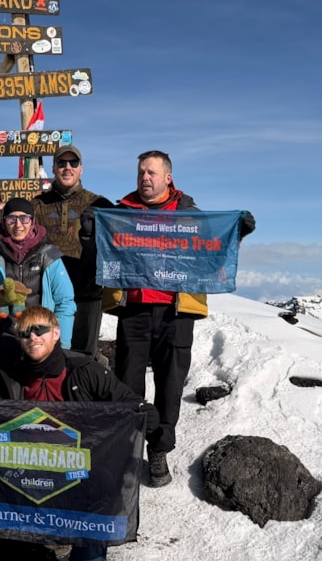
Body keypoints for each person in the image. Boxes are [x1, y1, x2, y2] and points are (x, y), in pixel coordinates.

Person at [0, 307, 159, 561]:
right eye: (25, 332)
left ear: (56, 333)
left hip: (84, 462)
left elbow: (131, 402)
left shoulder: (84, 370)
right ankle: (58, 531)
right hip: (36, 460)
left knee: (100, 486)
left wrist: (143, 416)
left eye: (40, 330)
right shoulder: (10, 373)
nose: (33, 337)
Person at [108, 150, 255, 488]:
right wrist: (92, 227)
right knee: (127, 383)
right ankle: (128, 448)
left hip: (176, 312)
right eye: (141, 172)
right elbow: (102, 245)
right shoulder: (122, 212)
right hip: (134, 308)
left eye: (152, 173)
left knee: (170, 385)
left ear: (168, 178)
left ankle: (158, 451)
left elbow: (214, 245)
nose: (145, 178)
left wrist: (237, 231)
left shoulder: (189, 215)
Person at [0, 198, 76, 356]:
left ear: (32, 220)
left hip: (40, 339)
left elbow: (65, 302)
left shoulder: (49, 255)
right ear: (3, 221)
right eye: (11, 219)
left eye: (24, 218)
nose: (18, 225)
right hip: (0, 339)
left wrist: (62, 344)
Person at [33, 144, 113, 357]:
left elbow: (123, 234)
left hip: (88, 293)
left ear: (81, 169)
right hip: (49, 296)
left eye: (73, 163)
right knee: (49, 355)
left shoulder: (99, 203)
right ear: (53, 168)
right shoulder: (37, 205)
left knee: (84, 358)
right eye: (61, 163)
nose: (67, 167)